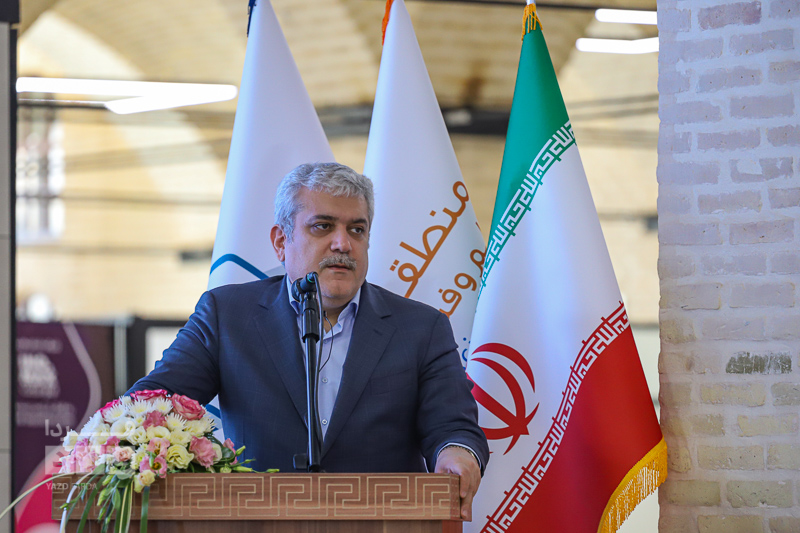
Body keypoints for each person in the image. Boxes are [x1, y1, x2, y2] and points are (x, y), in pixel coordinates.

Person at [129, 162, 489, 520]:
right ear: (281, 241)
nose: (343, 243)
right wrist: (121, 442)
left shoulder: (421, 328)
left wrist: (456, 453)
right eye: (323, 226)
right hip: (257, 524)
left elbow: (454, 427)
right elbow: (151, 403)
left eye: (357, 229)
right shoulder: (228, 316)